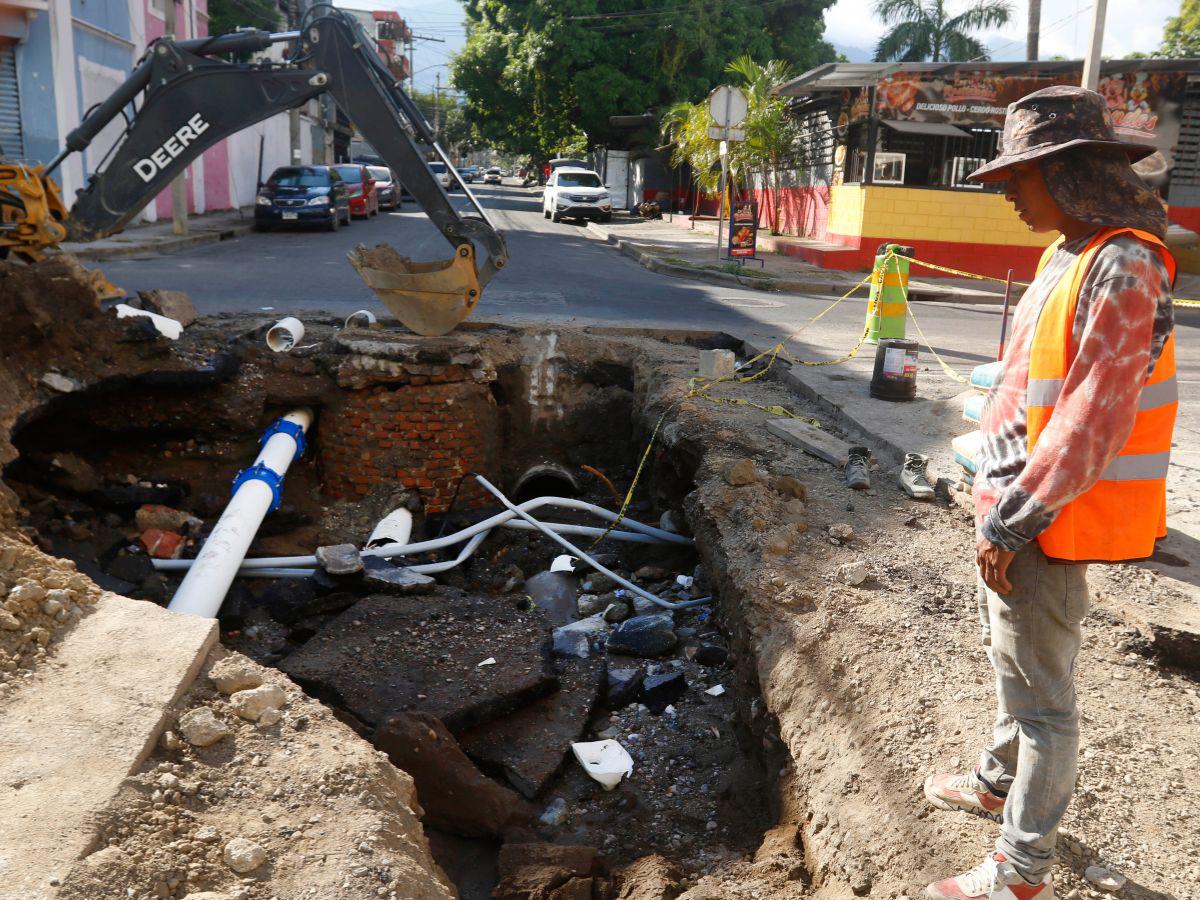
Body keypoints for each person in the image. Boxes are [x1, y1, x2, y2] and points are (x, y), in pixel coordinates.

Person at [922, 85, 1177, 900]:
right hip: (1008, 506)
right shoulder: (1069, 251)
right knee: (1018, 667)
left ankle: (1020, 869)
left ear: (1065, 171)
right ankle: (998, 783)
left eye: (1017, 177)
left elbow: (1095, 415)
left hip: (1041, 523)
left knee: (1044, 702)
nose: (1006, 193)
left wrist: (1014, 522)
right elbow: (1044, 380)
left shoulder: (1125, 262)